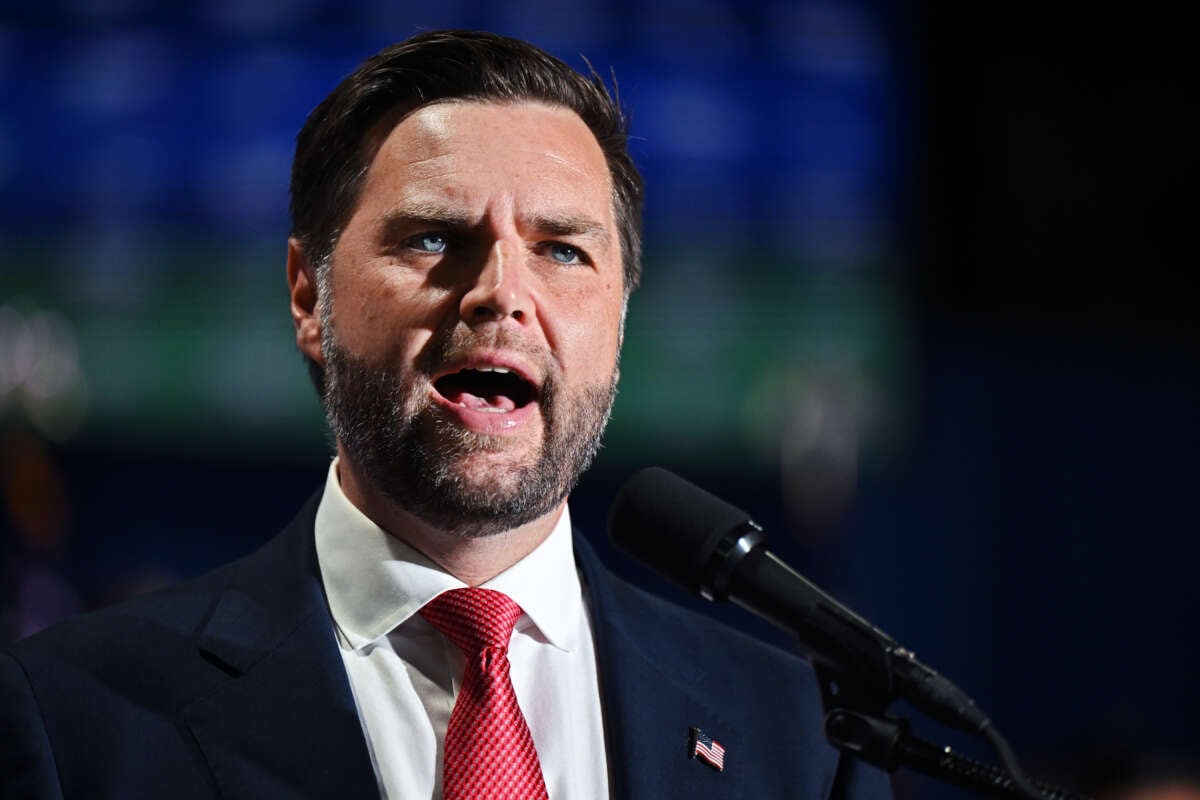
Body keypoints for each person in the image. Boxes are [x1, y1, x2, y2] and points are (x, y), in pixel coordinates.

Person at [0, 30, 892, 799]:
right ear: (310, 296)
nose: (503, 293)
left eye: (563, 250)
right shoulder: (70, 718)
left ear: (621, 315)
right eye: (434, 238)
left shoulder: (805, 743)